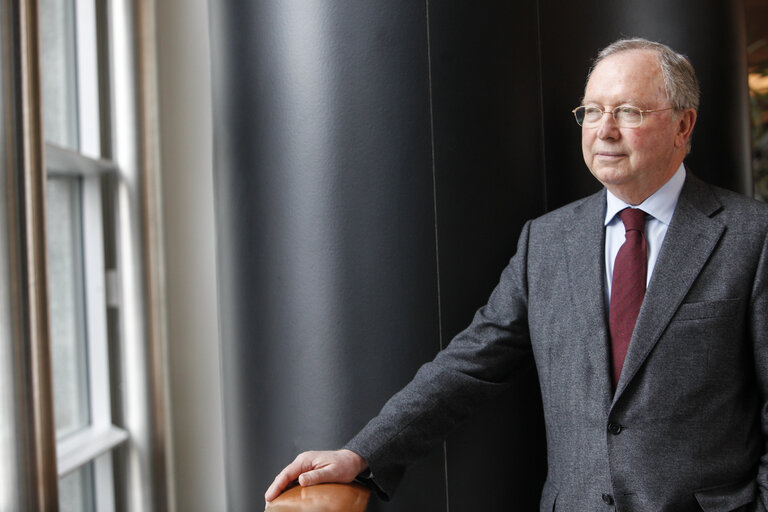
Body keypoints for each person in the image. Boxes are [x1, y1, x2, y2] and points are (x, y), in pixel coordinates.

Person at [265, 37, 768, 510]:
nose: (604, 130)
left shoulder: (752, 236)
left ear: (684, 126)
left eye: (628, 112)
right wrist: (362, 453)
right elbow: (469, 364)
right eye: (591, 112)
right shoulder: (547, 242)